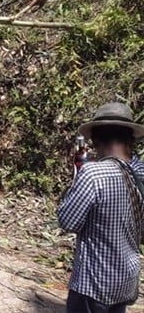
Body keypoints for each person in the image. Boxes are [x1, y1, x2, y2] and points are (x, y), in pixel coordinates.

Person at [59, 102, 144, 312]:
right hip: (126, 280)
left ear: (96, 140)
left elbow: (68, 221)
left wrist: (78, 177)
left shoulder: (93, 174)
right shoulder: (141, 170)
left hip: (93, 283)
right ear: (130, 139)